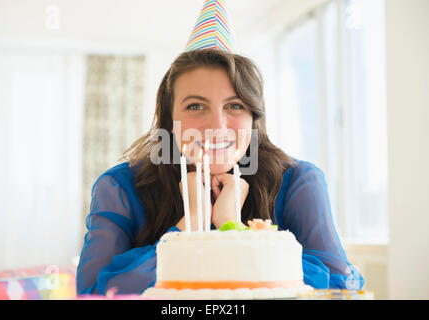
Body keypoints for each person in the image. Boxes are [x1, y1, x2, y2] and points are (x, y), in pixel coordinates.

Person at [76, 48, 364, 295]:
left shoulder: (299, 181)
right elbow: (91, 294)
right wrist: (185, 228)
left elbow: (338, 288)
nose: (218, 126)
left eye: (235, 105)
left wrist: (231, 228)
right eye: (196, 106)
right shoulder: (119, 187)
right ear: (169, 119)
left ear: (254, 118)